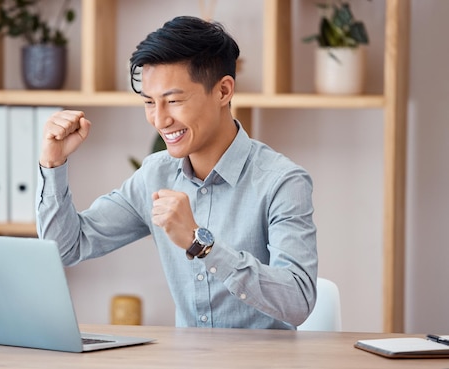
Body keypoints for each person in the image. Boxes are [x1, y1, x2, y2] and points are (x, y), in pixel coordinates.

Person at [36, 15, 317, 329]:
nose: (160, 119)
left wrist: (203, 245)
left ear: (224, 91)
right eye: (149, 102)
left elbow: (298, 302)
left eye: (173, 100)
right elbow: (66, 247)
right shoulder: (155, 174)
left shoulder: (281, 181)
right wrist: (52, 164)